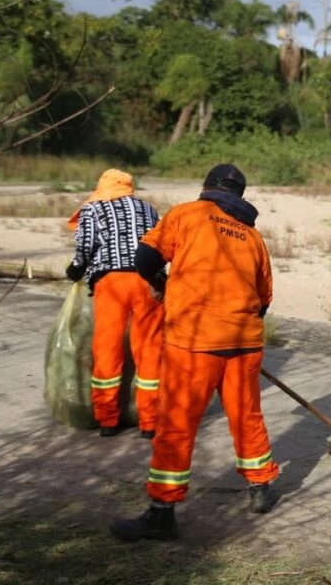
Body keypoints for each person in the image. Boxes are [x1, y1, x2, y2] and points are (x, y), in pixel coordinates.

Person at [110, 164, 279, 541]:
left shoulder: (186, 214)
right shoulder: (253, 237)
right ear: (240, 196)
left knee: (177, 423)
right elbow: (264, 300)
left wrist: (165, 286)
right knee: (246, 415)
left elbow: (145, 261)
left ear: (206, 187)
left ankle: (161, 512)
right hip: (244, 341)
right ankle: (261, 487)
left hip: (194, 341)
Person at [65, 169, 163, 438]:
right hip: (149, 281)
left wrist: (75, 269)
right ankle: (150, 422)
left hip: (112, 282)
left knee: (107, 347)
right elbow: (160, 244)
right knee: (149, 350)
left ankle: (107, 419)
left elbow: (85, 246)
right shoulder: (148, 208)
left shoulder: (94, 208)